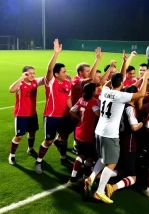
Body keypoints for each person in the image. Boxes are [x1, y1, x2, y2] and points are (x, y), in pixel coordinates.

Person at [84, 70, 149, 204]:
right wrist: (145, 78)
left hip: (99, 131)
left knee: (103, 158)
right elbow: (142, 94)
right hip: (110, 134)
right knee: (112, 162)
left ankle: (91, 178)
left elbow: (108, 83)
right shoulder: (121, 95)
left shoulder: (104, 90)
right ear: (121, 83)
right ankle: (100, 192)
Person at [35, 39, 72, 174]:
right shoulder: (51, 82)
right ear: (56, 74)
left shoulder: (68, 83)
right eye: (63, 71)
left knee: (63, 137)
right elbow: (49, 69)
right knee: (49, 141)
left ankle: (63, 157)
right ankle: (39, 161)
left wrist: (72, 111)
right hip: (51, 117)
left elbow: (68, 98)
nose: (66, 73)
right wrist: (56, 54)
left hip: (64, 116)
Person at [105, 85, 143, 198]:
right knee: (133, 177)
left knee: (121, 169)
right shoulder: (130, 108)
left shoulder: (119, 105)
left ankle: (96, 177)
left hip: (118, 141)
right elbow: (134, 127)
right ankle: (113, 187)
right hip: (129, 144)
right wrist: (142, 123)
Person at [8, 66, 44, 165]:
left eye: (33, 73)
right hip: (21, 114)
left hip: (32, 113)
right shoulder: (20, 84)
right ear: (24, 74)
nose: (32, 75)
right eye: (29, 73)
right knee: (19, 136)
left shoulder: (35, 82)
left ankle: (30, 149)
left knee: (32, 132)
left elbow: (47, 78)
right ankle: (12, 155)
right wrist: (21, 78)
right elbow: (11, 89)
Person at [68, 83, 100, 183]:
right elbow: (97, 114)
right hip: (88, 133)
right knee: (90, 157)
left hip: (78, 131)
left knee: (81, 155)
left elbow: (72, 111)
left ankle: (72, 177)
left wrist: (79, 119)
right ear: (92, 92)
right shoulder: (93, 101)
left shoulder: (81, 99)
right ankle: (86, 178)